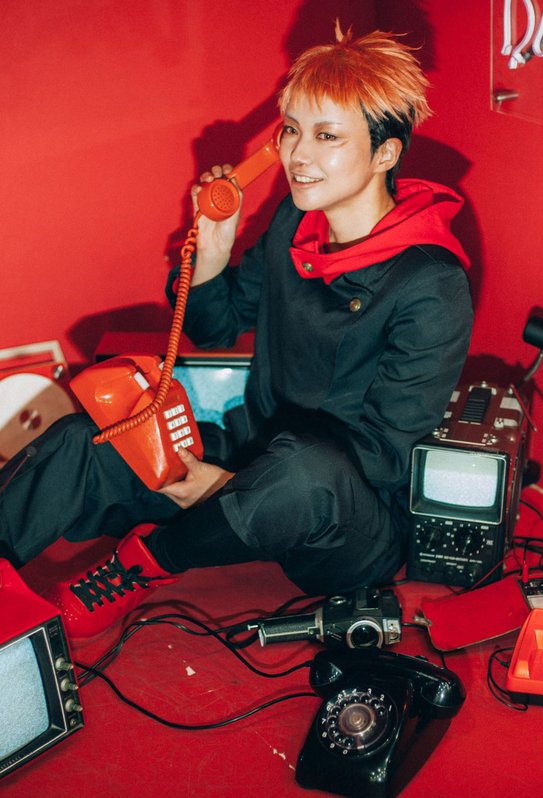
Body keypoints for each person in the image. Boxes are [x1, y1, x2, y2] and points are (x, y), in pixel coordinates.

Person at [0, 26, 473, 638]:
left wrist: (229, 489)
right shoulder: (294, 220)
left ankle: (140, 567)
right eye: (292, 130)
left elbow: (383, 458)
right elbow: (215, 325)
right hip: (253, 451)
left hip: (346, 518)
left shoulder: (431, 282)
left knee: (303, 473)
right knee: (82, 439)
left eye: (327, 136)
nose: (298, 155)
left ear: (385, 154)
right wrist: (214, 252)